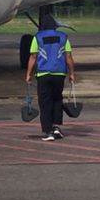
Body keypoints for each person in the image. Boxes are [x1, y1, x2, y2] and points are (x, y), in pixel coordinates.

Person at [25, 9, 75, 141]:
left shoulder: (37, 38)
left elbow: (33, 57)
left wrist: (28, 74)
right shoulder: (63, 37)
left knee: (45, 102)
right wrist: (72, 73)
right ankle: (56, 127)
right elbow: (68, 56)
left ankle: (48, 131)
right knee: (57, 100)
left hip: (43, 74)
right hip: (59, 74)